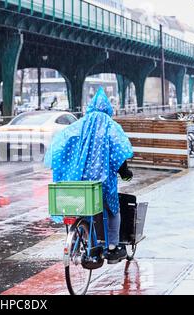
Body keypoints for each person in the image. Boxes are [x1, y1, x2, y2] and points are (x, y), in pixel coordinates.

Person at [44, 87, 134, 264]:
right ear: (108, 109)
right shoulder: (110, 126)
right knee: (113, 210)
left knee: (85, 210)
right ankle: (112, 248)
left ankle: (89, 244)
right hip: (103, 181)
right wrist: (125, 172)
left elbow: (63, 143)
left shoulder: (79, 125)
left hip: (80, 181)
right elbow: (119, 152)